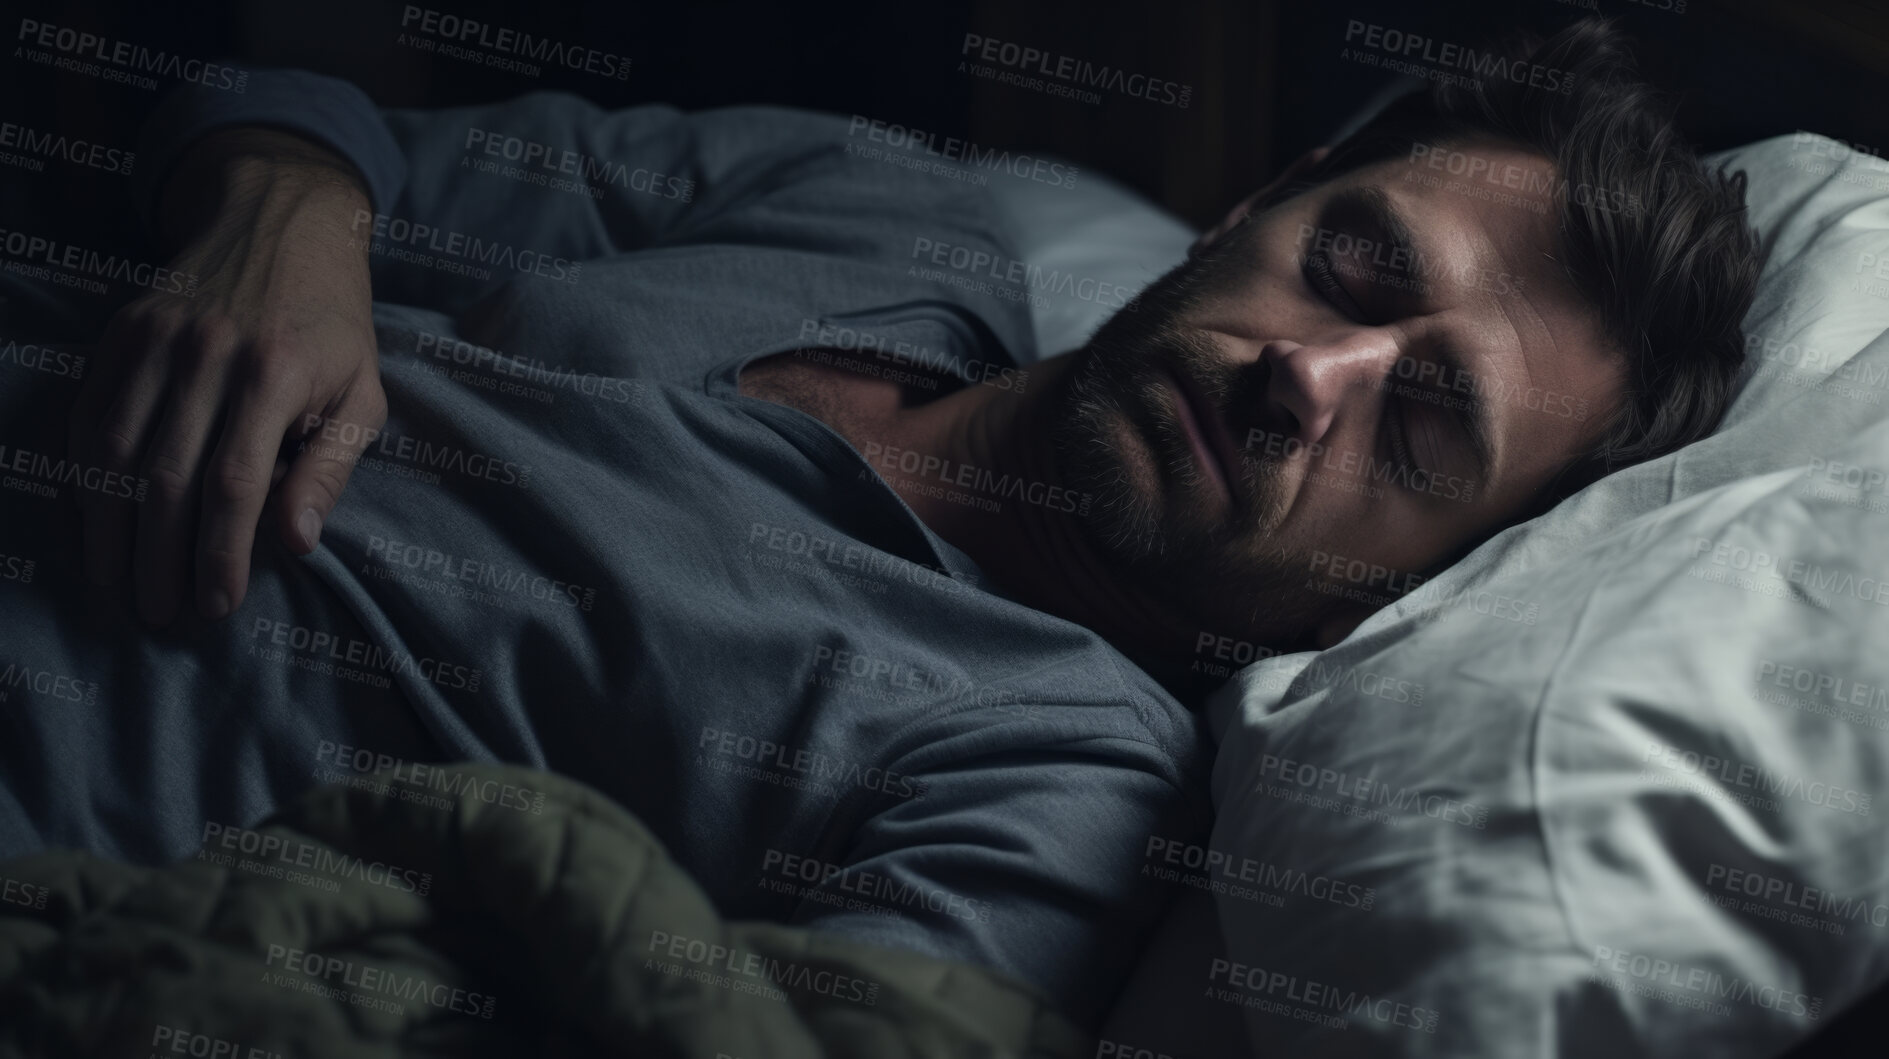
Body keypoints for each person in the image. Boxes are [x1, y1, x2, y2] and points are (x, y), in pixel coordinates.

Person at [21, 16, 1755, 1027]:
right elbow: (313, 125)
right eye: (1349, 270)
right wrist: (285, 223)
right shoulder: (879, 212)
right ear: (1249, 208)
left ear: (1423, 584)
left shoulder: (1059, 771)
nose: (1308, 378)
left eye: (1424, 419)